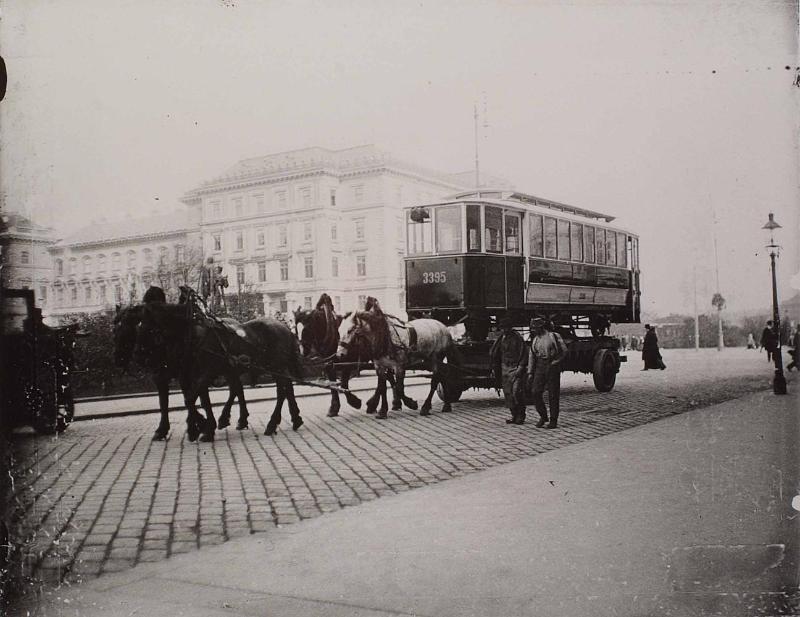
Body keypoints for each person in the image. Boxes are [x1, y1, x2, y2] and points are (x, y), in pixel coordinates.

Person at [527, 317, 567, 429]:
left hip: (552, 365)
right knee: (535, 392)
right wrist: (530, 372)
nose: (533, 330)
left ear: (541, 327)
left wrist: (555, 362)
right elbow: (532, 356)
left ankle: (553, 420)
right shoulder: (535, 339)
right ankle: (543, 416)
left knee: (553, 394)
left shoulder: (553, 336)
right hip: (540, 366)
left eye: (535, 328)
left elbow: (564, 351)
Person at [489, 315, 528, 425]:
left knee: (516, 392)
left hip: (515, 367)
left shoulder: (517, 338)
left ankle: (521, 415)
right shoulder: (501, 338)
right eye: (503, 328)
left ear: (510, 327)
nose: (504, 329)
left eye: (506, 327)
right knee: (508, 393)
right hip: (504, 368)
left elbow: (524, 353)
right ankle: (514, 415)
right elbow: (495, 354)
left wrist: (521, 367)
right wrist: (494, 368)